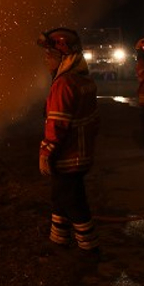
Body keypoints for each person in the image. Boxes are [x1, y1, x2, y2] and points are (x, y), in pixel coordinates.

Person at [37, 28, 101, 258]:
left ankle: (89, 247)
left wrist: (46, 152)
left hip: (68, 154)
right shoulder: (83, 79)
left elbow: (57, 124)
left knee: (73, 201)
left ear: (64, 57)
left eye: (49, 55)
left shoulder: (63, 84)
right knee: (60, 195)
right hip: (80, 152)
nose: (46, 59)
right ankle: (59, 239)